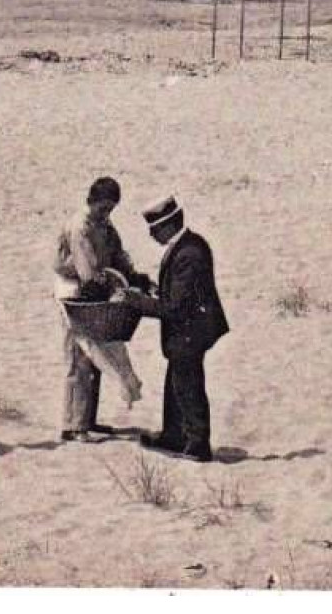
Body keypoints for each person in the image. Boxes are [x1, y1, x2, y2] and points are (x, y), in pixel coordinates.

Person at [123, 196, 229, 462]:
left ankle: (197, 444)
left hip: (190, 331)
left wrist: (136, 301)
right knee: (176, 383)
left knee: (188, 385)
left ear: (169, 225)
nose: (151, 235)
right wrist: (153, 291)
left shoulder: (188, 253)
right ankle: (174, 435)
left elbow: (175, 308)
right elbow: (179, 294)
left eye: (154, 229)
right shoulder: (187, 245)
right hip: (190, 328)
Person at [54, 177, 152, 442]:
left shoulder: (104, 225)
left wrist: (131, 275)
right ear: (92, 201)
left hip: (95, 291)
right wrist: (105, 283)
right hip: (75, 293)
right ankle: (73, 425)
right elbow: (86, 269)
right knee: (78, 359)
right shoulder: (80, 226)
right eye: (103, 207)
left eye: (110, 209)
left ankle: (88, 419)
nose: (106, 213)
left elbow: (117, 253)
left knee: (97, 358)